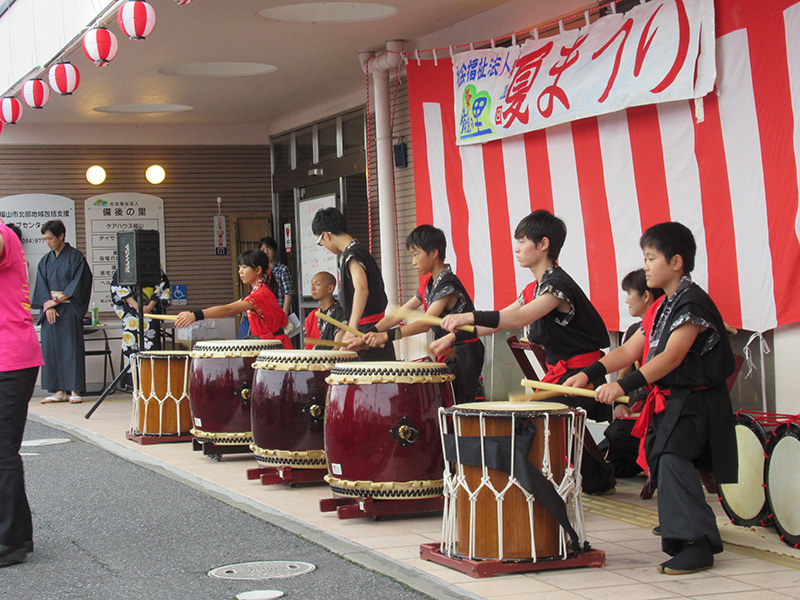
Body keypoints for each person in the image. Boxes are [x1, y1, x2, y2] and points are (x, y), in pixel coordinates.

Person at [564, 222, 737, 575]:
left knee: (672, 457)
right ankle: (687, 526)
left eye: (651, 258)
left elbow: (672, 357)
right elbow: (630, 350)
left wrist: (623, 387)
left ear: (676, 262)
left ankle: (698, 543)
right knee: (664, 458)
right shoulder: (662, 307)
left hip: (697, 401)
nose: (645, 266)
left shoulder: (692, 302)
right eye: (644, 258)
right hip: (675, 400)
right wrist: (589, 373)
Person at [434, 210, 614, 493]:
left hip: (584, 375)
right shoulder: (534, 289)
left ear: (543, 244)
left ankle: (563, 483)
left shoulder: (557, 287)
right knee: (544, 422)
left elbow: (518, 319)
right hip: (564, 376)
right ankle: (598, 479)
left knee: (535, 419)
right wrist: (454, 336)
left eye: (522, 241)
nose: (516, 248)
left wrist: (468, 316)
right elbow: (499, 321)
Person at [356, 225, 484, 403]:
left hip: (464, 353)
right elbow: (399, 314)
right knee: (445, 404)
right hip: (449, 350)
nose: (413, 261)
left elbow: (425, 323)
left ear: (434, 253)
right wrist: (369, 332)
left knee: (456, 405)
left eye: (416, 254)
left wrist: (386, 336)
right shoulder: (429, 284)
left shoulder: (447, 284)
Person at [0, 221, 44, 567]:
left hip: (10, 359)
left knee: (2, 450)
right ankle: (17, 533)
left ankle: (11, 540)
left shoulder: (3, 234)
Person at [601, 269, 664, 478]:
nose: (627, 300)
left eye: (629, 293)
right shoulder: (633, 332)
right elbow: (624, 375)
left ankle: (661, 462)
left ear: (646, 296)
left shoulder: (668, 328)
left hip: (664, 405)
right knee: (604, 457)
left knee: (616, 434)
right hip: (643, 403)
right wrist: (619, 404)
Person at [311, 207, 395, 361]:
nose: (323, 245)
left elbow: (361, 289)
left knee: (369, 376)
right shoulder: (358, 251)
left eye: (320, 241)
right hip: (372, 329)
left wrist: (352, 327)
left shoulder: (352, 254)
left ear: (326, 235)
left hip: (367, 332)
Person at [175, 249, 291, 349]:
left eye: (244, 267)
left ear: (258, 270)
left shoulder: (260, 294)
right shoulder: (255, 293)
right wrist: (191, 314)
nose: (240, 271)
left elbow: (228, 310)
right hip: (268, 344)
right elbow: (228, 307)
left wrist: (196, 315)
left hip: (274, 346)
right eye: (239, 267)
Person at [31, 220, 93, 404]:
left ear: (61, 236)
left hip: (69, 308)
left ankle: (74, 390)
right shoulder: (46, 260)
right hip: (51, 310)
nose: (48, 242)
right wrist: (48, 305)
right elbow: (41, 285)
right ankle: (59, 391)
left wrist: (56, 301)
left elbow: (79, 282)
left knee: (71, 349)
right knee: (51, 350)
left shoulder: (75, 257)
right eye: (45, 239)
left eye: (50, 238)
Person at [110, 267, 172, 392]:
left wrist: (149, 307)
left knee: (151, 348)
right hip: (131, 315)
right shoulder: (124, 268)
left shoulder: (156, 270)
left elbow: (163, 287)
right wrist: (136, 305)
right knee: (131, 347)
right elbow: (119, 288)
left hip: (150, 315)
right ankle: (132, 383)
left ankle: (152, 383)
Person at [304, 271, 344, 349]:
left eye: (318, 284)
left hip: (331, 356)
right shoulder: (312, 316)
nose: (312, 288)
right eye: (312, 284)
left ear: (330, 288)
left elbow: (337, 348)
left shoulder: (340, 314)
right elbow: (307, 347)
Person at [260, 236, 294, 315]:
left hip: (279, 311)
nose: (266, 252)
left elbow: (288, 293)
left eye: (269, 249)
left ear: (275, 251)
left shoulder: (282, 269)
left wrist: (284, 313)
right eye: (263, 250)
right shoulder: (260, 271)